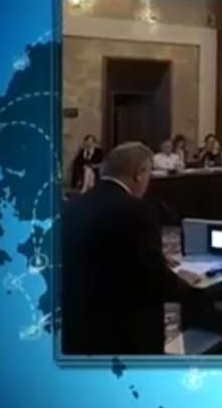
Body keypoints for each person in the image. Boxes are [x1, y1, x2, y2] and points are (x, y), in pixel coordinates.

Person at [61, 142, 198, 354]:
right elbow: (152, 278)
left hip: (78, 324)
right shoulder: (137, 210)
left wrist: (155, 257)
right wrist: (183, 283)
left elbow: (105, 250)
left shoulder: (72, 205)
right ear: (139, 173)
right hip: (124, 332)